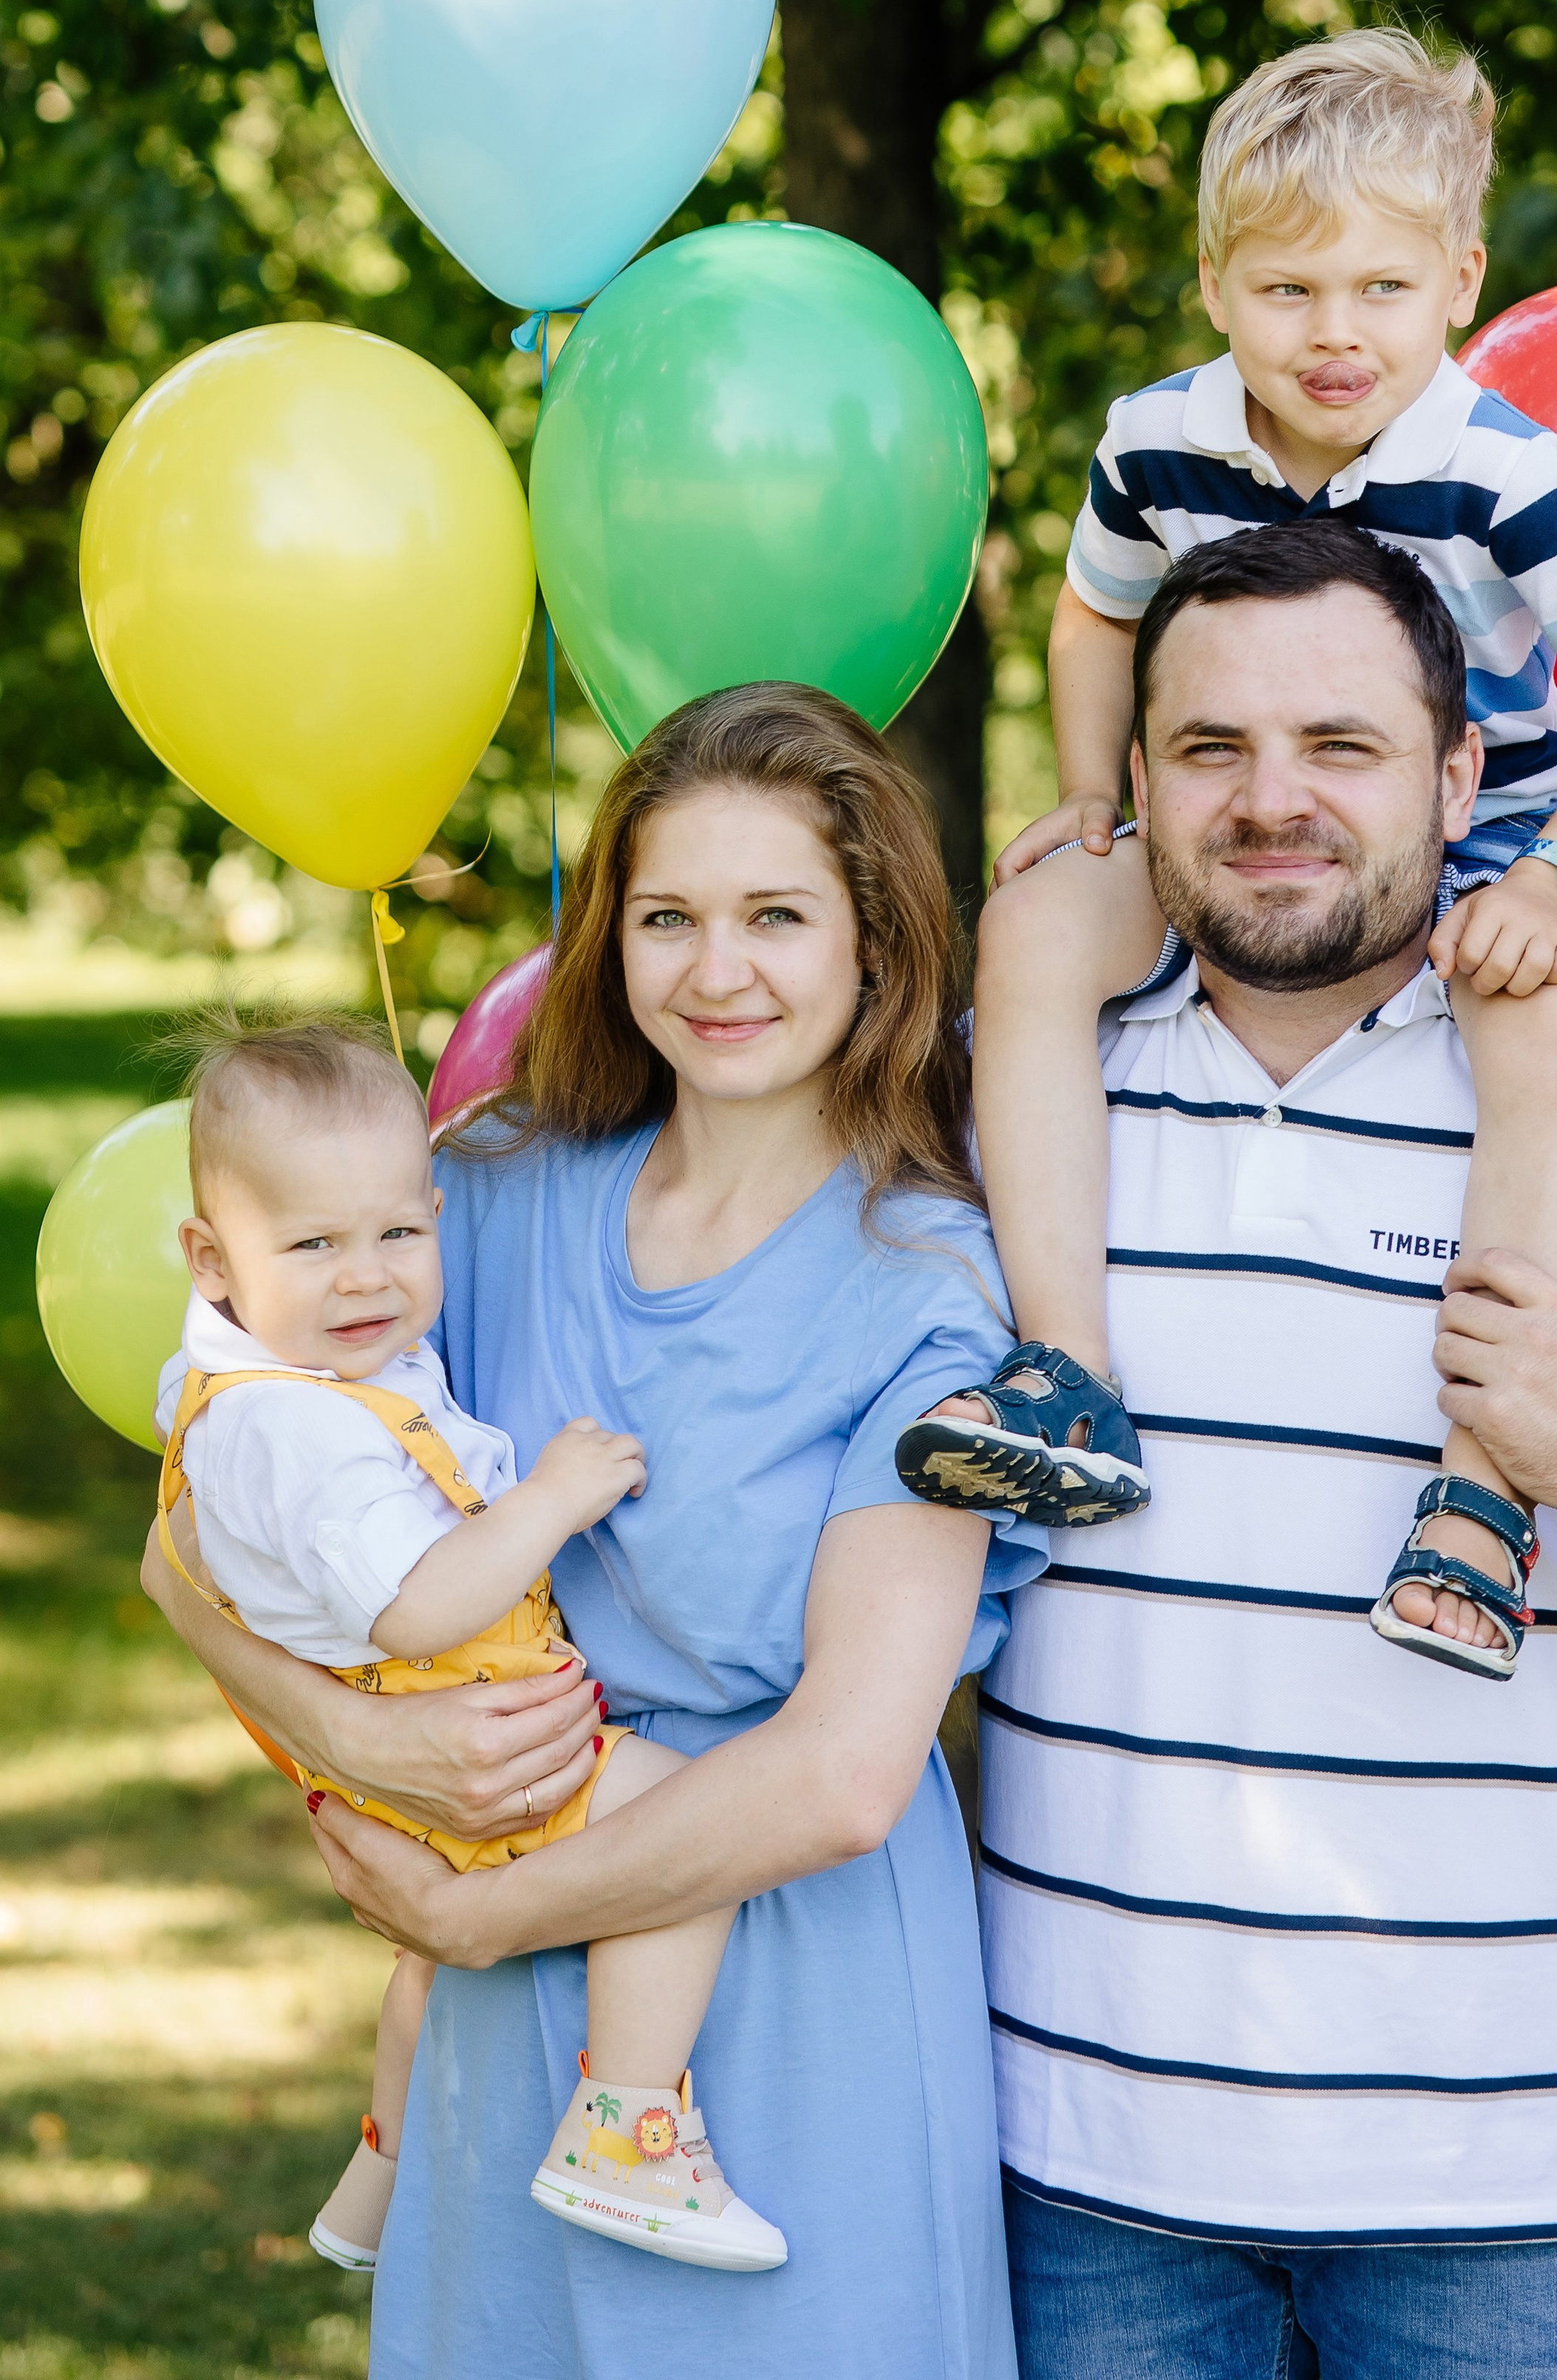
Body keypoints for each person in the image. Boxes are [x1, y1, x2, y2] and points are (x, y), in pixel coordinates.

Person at [978, 517, 1557, 2379]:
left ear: (1461, 768)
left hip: (1504, 2210)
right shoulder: (1010, 1103)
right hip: (1071, 2189)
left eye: (1342, 745)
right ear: (1131, 774)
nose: (1270, 801)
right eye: (1211, 749)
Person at [142, 681, 1045, 2380]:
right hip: (498, 1995)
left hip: (783, 1986)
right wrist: (355, 1740)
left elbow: (846, 1778)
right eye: (666, 919)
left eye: (776, 916)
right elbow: (193, 1535)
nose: (718, 973)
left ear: (874, 943)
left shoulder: (928, 1301)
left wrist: (487, 1909)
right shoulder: (479, 1193)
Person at [899, 27, 1557, 1677]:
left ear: (1458, 281)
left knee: (1545, 1025)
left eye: (1378, 290)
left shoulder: (1498, 468)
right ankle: (1065, 1373)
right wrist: (1089, 798)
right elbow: (1085, 616)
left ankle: (1480, 1498)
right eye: (1285, 292)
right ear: (1212, 285)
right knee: (1041, 929)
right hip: (1246, 829)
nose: (1334, 334)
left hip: (1485, 832)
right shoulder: (1157, 442)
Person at [152, 1009, 787, 2276]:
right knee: (697, 1839)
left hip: (418, 1748)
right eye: (314, 1244)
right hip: (480, 1733)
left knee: (424, 1976)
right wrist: (553, 1497)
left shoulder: (287, 1378)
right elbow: (422, 1606)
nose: (367, 1277)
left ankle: (379, 2175)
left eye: (398, 1230)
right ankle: (631, 2129)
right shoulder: (294, 1431)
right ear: (211, 1260)